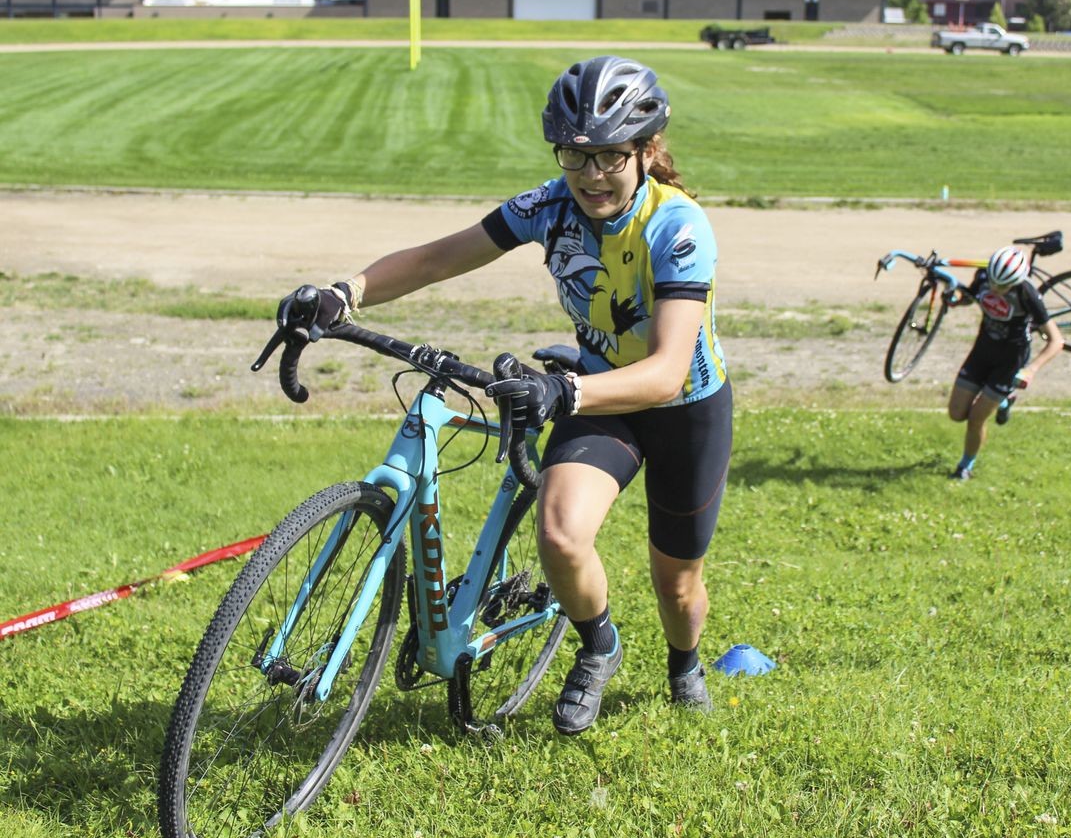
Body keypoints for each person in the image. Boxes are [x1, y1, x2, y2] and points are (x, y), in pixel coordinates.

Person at [275, 56, 731, 736]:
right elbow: (437, 257)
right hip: (598, 398)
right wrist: (345, 292)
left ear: (643, 151)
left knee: (678, 583)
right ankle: (599, 645)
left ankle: (684, 664)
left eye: (609, 156)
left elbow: (666, 371)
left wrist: (561, 387)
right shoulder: (547, 205)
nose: (591, 175)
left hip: (683, 408)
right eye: (575, 156)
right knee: (559, 531)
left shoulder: (679, 227)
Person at [946, 246, 1063, 481]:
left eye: (1004, 286)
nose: (997, 289)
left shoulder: (1027, 294)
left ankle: (965, 466)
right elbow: (971, 297)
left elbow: (1056, 340)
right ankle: (1005, 401)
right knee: (957, 414)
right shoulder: (984, 276)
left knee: (977, 418)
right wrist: (955, 301)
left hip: (1009, 361)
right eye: (994, 283)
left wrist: (1031, 370)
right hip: (982, 352)